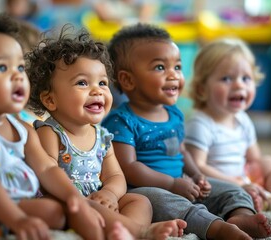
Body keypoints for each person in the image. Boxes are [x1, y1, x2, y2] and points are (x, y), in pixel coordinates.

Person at [0, 8, 106, 240]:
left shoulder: (22, 130)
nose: (17, 76)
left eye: (20, 67)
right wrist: (17, 219)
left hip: (18, 202)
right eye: (2, 68)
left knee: (77, 207)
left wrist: (73, 195)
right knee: (53, 211)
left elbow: (47, 168)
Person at [102, 23, 271, 240]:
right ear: (128, 79)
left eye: (177, 67)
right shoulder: (121, 120)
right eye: (160, 67)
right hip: (141, 190)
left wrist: (196, 175)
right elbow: (128, 168)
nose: (173, 75)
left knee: (231, 190)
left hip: (181, 181)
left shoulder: (174, 114)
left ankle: (240, 215)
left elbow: (182, 151)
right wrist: (172, 184)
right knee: (169, 203)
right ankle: (215, 229)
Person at [26, 23, 187, 240]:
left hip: (100, 198)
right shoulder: (50, 132)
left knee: (139, 201)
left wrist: (109, 194)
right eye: (82, 83)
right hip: (66, 200)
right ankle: (139, 231)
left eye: (102, 83)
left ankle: (124, 231)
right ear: (50, 99)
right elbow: (46, 176)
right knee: (91, 206)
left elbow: (115, 175)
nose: (97, 91)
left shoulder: (102, 136)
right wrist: (83, 199)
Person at [184, 37, 271, 213]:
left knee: (269, 162)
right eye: (226, 78)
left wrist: (250, 181)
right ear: (202, 88)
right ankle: (257, 201)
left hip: (242, 178)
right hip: (215, 184)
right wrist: (238, 184)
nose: (238, 85)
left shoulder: (242, 119)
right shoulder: (200, 124)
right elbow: (197, 167)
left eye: (246, 78)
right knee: (234, 195)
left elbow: (254, 158)